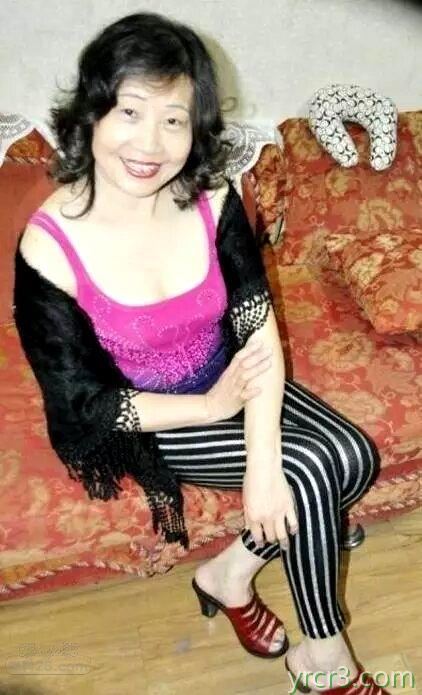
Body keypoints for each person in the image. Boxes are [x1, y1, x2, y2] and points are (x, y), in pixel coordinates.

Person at [13, 12, 389, 694]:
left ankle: (228, 574)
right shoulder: (49, 246)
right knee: (312, 472)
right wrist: (213, 409)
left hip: (232, 380)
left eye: (174, 120)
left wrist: (260, 457)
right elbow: (82, 406)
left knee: (352, 457)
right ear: (92, 113)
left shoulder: (213, 199)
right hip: (150, 417)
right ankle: (325, 657)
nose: (150, 143)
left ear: (197, 129)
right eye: (130, 112)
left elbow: (254, 322)